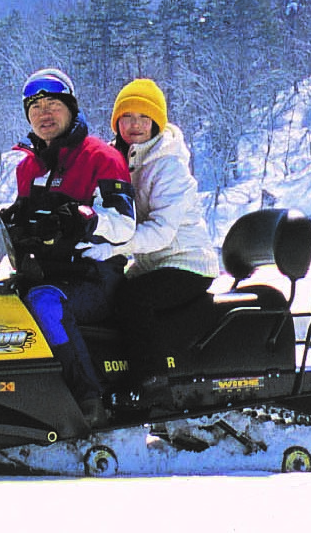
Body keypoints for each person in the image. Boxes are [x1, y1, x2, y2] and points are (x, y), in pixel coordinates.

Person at [3, 66, 136, 424]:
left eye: (52, 104)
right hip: (47, 273)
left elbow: (124, 224)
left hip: (94, 277)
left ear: (71, 109)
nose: (43, 113)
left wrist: (84, 220)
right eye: (35, 107)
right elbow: (25, 218)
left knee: (44, 305)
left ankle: (87, 401)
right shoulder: (28, 167)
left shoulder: (101, 157)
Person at [108, 77, 218, 410]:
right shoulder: (124, 158)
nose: (136, 125)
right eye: (127, 117)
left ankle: (153, 387)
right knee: (106, 292)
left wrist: (114, 247)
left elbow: (161, 233)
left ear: (158, 121)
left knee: (133, 299)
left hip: (186, 262)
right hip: (154, 262)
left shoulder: (168, 165)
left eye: (144, 117)